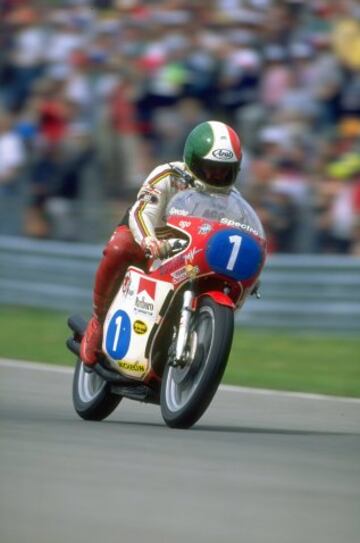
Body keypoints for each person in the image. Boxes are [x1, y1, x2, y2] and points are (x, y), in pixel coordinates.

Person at [80, 120, 243, 366]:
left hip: (191, 255)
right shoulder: (169, 174)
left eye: (223, 170)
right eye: (209, 168)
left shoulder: (234, 200)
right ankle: (99, 321)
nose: (215, 176)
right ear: (193, 161)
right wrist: (149, 240)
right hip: (152, 239)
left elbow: (239, 233)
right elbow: (142, 211)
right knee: (119, 248)